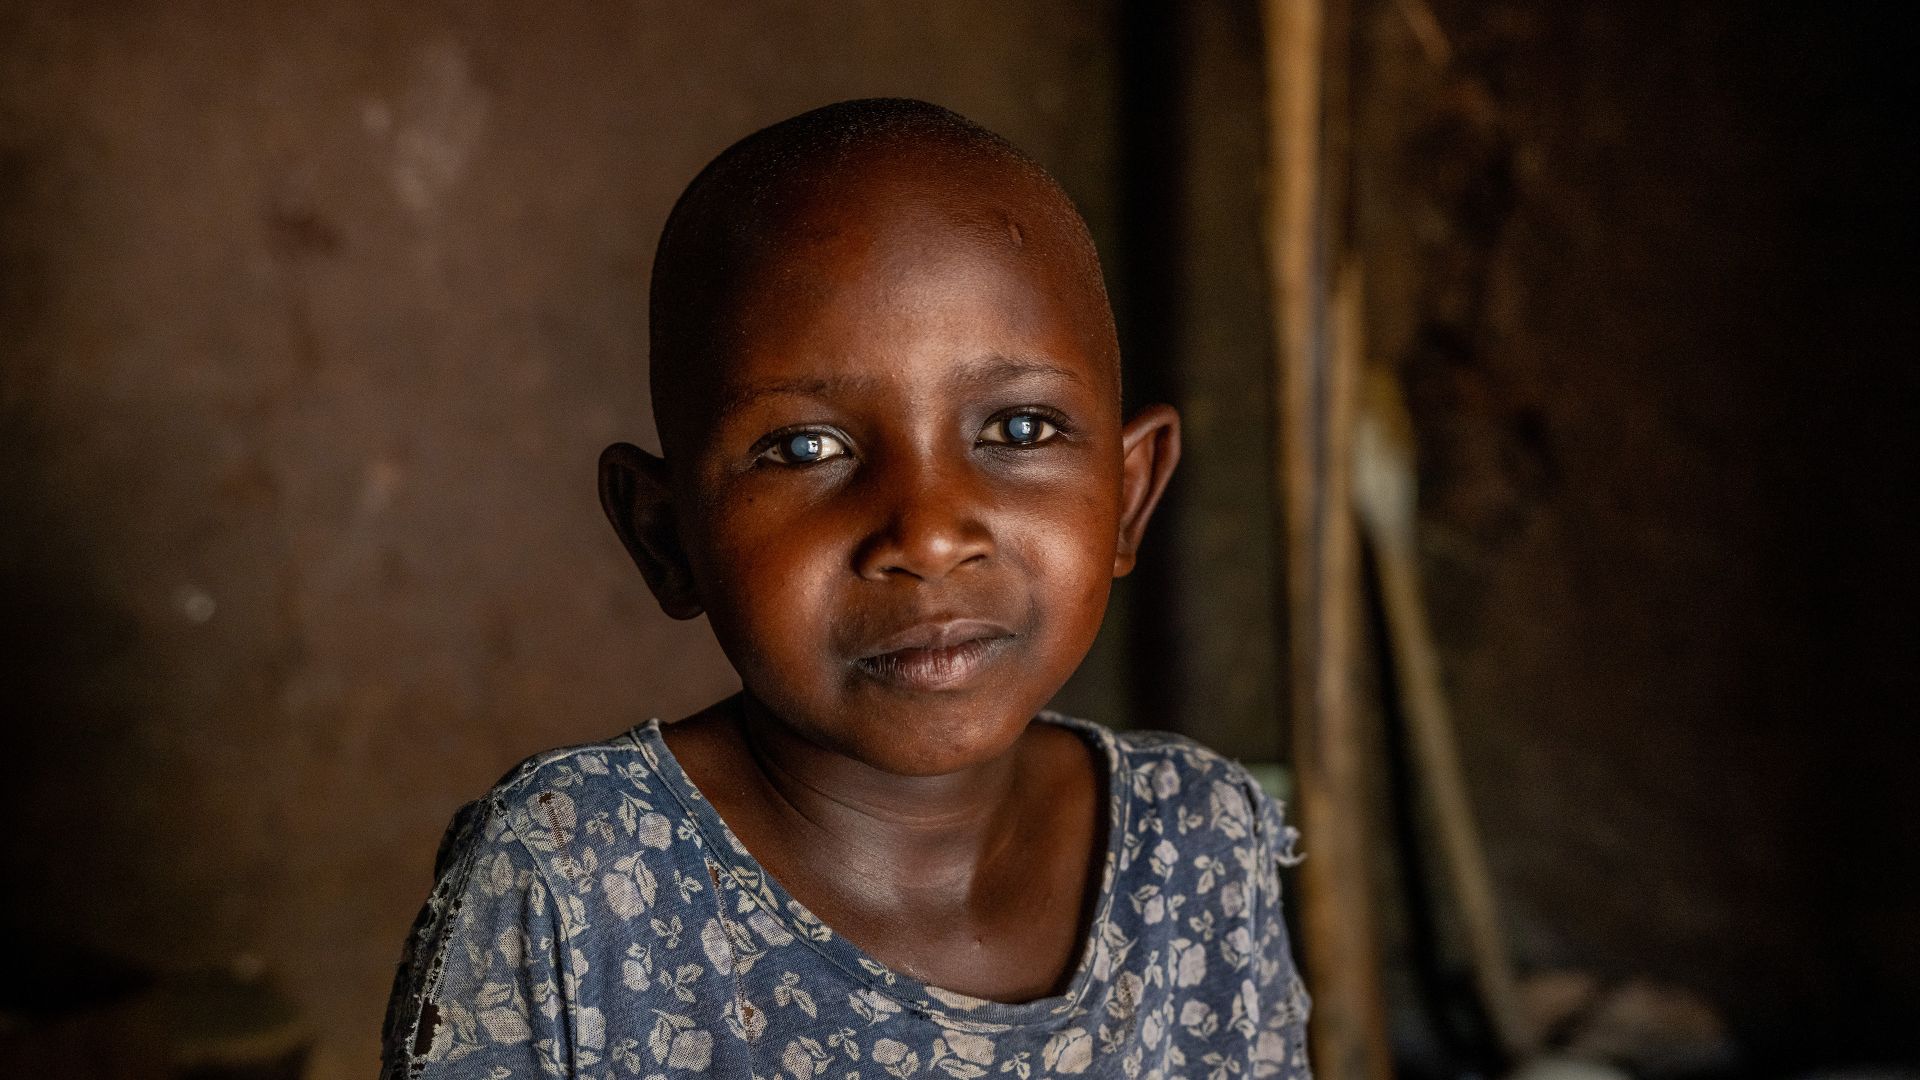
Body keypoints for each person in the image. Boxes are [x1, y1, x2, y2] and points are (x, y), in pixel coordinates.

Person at [380, 98, 1311, 1080]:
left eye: (1020, 430)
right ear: (666, 535)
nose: (928, 533)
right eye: (804, 448)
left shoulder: (1198, 844)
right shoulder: (578, 880)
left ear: (1128, 498)